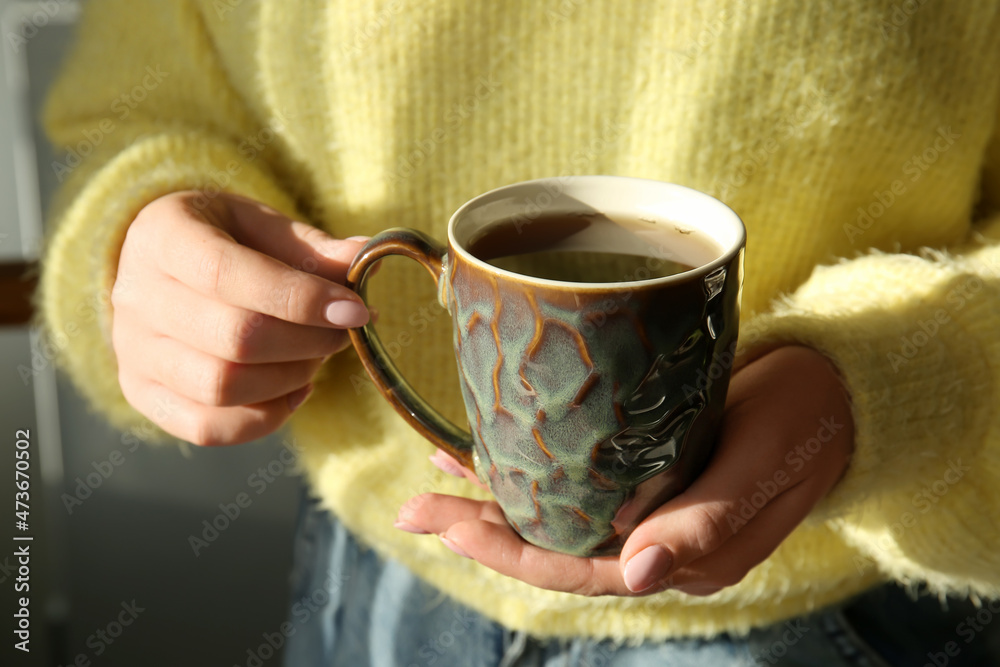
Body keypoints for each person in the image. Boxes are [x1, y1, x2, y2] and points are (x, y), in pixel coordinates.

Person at [39, 0, 1000, 664]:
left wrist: (890, 385)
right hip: (373, 603)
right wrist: (140, 250)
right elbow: (148, 113)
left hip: (836, 623)